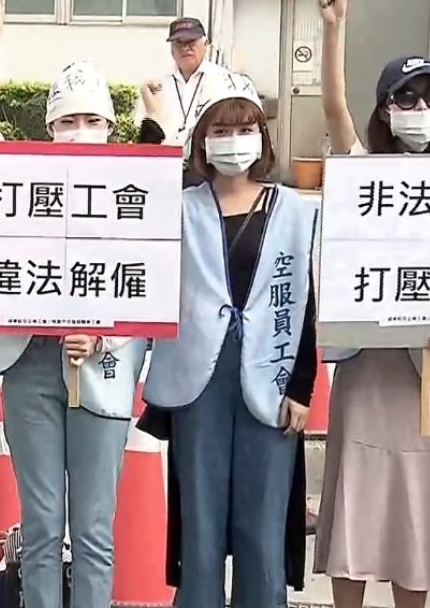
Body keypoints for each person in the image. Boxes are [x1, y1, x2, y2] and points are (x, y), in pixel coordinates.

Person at [0, 0, 146, 608]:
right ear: (48, 128)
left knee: (94, 529)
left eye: (92, 120)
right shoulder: (24, 180)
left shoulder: (133, 190)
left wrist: (103, 336)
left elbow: (149, 281)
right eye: (68, 120)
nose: (80, 131)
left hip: (102, 366)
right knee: (41, 525)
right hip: (29, 362)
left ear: (111, 128)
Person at [311, 0, 430, 608]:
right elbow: (333, 110)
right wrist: (333, 29)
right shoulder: (362, 172)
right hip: (369, 364)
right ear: (384, 110)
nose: (420, 106)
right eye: (405, 96)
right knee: (356, 502)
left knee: (419, 516)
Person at [140, 71, 313, 608]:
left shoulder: (294, 209)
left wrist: (302, 386)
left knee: (263, 522)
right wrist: (154, 122)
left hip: (272, 373)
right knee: (201, 519)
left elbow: (305, 299)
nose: (234, 141)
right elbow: (139, 190)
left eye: (245, 129)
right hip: (199, 378)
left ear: (262, 138)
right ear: (202, 141)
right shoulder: (182, 205)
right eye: (221, 130)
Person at [138, 17, 233, 147]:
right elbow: (145, 138)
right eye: (179, 43)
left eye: (191, 41)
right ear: (171, 49)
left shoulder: (224, 80)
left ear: (205, 44)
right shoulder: (157, 85)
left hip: (208, 155)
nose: (185, 48)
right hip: (167, 155)